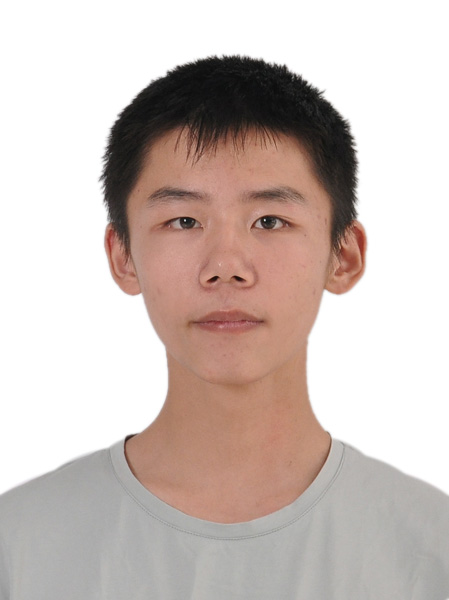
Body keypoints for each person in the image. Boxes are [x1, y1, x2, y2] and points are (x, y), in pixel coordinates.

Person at [0, 55, 448, 599]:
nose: (226, 266)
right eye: (183, 220)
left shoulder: (430, 550)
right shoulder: (20, 547)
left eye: (270, 221)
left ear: (344, 256)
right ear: (123, 256)